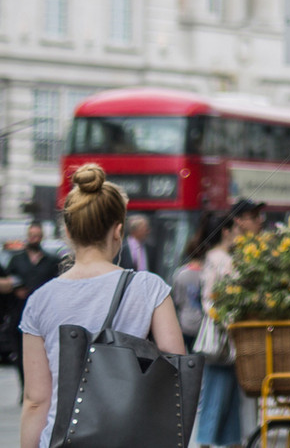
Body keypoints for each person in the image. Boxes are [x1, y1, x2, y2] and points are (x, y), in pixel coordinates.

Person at [18, 164, 185, 448]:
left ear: (68, 232)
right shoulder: (149, 288)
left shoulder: (39, 301)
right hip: (133, 438)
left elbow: (36, 401)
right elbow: (176, 369)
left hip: (62, 440)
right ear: (118, 231)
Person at [197, 212, 242, 448]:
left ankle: (231, 441)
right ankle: (209, 441)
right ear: (226, 231)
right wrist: (227, 319)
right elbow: (210, 298)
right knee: (218, 393)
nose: (238, 234)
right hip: (223, 336)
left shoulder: (213, 257)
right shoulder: (221, 259)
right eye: (235, 229)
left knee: (227, 393)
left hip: (223, 335)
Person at [8, 223, 60, 400]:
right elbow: (9, 279)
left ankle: (41, 387)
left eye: (37, 235)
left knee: (44, 353)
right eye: (32, 235)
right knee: (21, 354)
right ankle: (26, 387)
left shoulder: (51, 260)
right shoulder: (17, 260)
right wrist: (16, 289)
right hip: (20, 311)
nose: (34, 239)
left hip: (45, 313)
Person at [171, 218, 209, 352]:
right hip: (204, 325)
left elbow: (177, 300)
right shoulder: (207, 273)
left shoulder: (180, 274)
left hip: (185, 323)